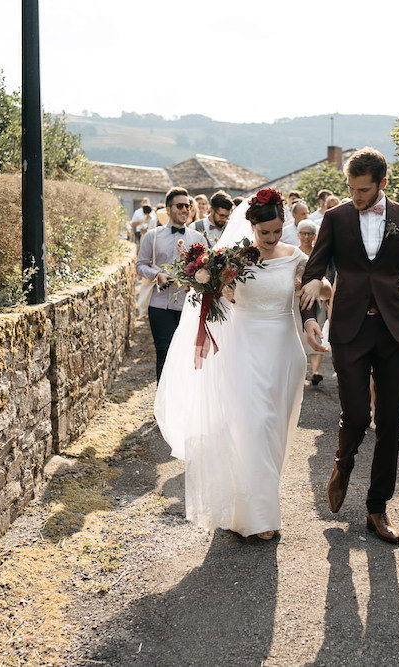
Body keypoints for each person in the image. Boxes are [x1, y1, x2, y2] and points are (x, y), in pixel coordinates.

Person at [155, 188, 332, 540]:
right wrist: (212, 284)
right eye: (263, 232)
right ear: (251, 226)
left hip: (284, 351)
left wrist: (316, 285)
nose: (270, 239)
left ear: (284, 225)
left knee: (275, 432)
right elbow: (214, 299)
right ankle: (260, 517)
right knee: (253, 426)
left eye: (277, 231)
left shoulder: (296, 256)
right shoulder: (233, 259)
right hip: (244, 348)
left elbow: (324, 290)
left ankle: (247, 506)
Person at [300, 147, 399, 544]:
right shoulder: (335, 217)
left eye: (363, 190)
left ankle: (377, 508)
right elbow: (314, 271)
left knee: (391, 424)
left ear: (382, 183)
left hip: (395, 331)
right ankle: (343, 464)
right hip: (349, 328)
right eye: (351, 188)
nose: (355, 197)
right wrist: (310, 319)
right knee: (358, 414)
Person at [136, 187, 209, 381]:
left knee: (186, 357)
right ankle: (162, 409)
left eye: (188, 205)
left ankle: (183, 405)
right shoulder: (152, 236)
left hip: (189, 306)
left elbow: (206, 269)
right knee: (165, 353)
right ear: (168, 209)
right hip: (160, 305)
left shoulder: (198, 239)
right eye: (180, 206)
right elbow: (140, 265)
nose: (185, 209)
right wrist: (156, 274)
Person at [296, 220, 328, 385]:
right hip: (298, 298)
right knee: (300, 335)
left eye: (310, 234)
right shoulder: (293, 253)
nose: (307, 237)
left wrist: (325, 295)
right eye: (304, 233)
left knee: (318, 329)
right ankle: (301, 370)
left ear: (315, 236)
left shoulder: (320, 252)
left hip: (318, 298)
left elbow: (327, 276)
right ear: (298, 235)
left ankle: (315, 371)